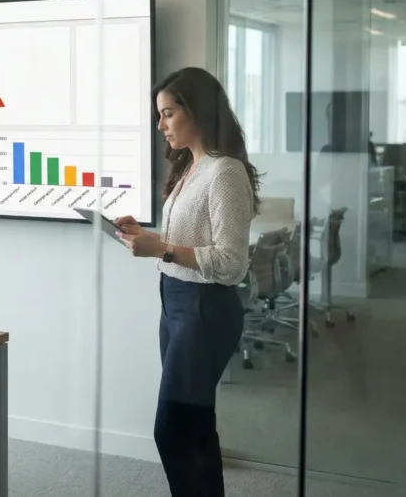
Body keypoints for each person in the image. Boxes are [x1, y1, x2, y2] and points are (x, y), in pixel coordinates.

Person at [114, 66, 260, 497]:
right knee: (194, 427)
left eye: (168, 114)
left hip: (204, 309)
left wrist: (161, 248)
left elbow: (233, 263)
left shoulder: (224, 172)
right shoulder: (191, 169)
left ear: (196, 111)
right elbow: (186, 239)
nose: (160, 126)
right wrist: (143, 235)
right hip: (175, 305)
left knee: (173, 429)